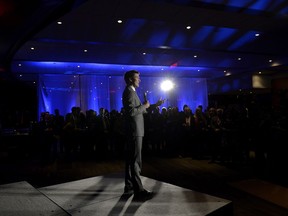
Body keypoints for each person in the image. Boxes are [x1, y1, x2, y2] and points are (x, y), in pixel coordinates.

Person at [122, 70, 164, 200]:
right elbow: (131, 112)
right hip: (135, 131)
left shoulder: (131, 91)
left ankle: (129, 187)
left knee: (131, 161)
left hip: (135, 131)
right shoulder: (129, 91)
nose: (139, 80)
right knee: (135, 161)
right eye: (137, 78)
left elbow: (140, 110)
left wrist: (155, 105)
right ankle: (139, 191)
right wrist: (144, 105)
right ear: (130, 79)